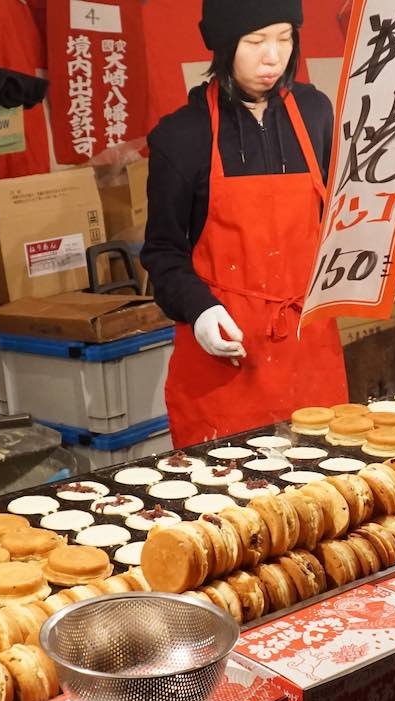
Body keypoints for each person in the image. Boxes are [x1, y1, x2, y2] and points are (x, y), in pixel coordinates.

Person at [143, 0, 348, 447]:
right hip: (225, 360)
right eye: (255, 41)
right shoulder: (182, 136)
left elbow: (338, 216)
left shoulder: (315, 113)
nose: (273, 56)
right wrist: (200, 310)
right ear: (223, 44)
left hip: (307, 352)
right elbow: (162, 252)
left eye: (285, 37)